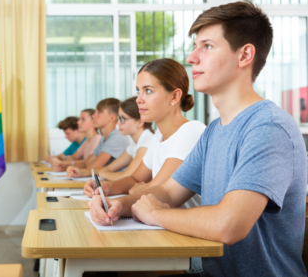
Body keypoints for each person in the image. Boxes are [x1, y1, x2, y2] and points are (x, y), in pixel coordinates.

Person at [89, 1, 307, 277]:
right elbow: (169, 191)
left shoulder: (268, 128)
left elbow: (229, 224)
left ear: (244, 56)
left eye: (206, 46)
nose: (191, 58)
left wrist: (155, 214)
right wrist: (120, 206)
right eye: (194, 47)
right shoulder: (215, 130)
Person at [83, 59, 205, 206]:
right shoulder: (159, 136)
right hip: (159, 223)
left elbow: (159, 190)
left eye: (148, 91)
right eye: (138, 91)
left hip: (184, 225)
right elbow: (135, 179)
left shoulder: (191, 131)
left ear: (175, 96)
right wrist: (106, 188)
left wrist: (138, 190)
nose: (138, 99)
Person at [67, 97, 154, 180]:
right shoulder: (135, 144)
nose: (119, 123)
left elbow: (127, 176)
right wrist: (81, 172)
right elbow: (109, 168)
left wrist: (104, 174)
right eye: (119, 118)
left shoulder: (147, 143)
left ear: (140, 122)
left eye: (123, 118)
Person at [54, 98, 129, 172]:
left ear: (112, 118)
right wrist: (64, 165)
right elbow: (87, 162)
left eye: (99, 112)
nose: (93, 116)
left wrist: (78, 171)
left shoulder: (116, 137)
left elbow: (92, 167)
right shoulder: (104, 139)